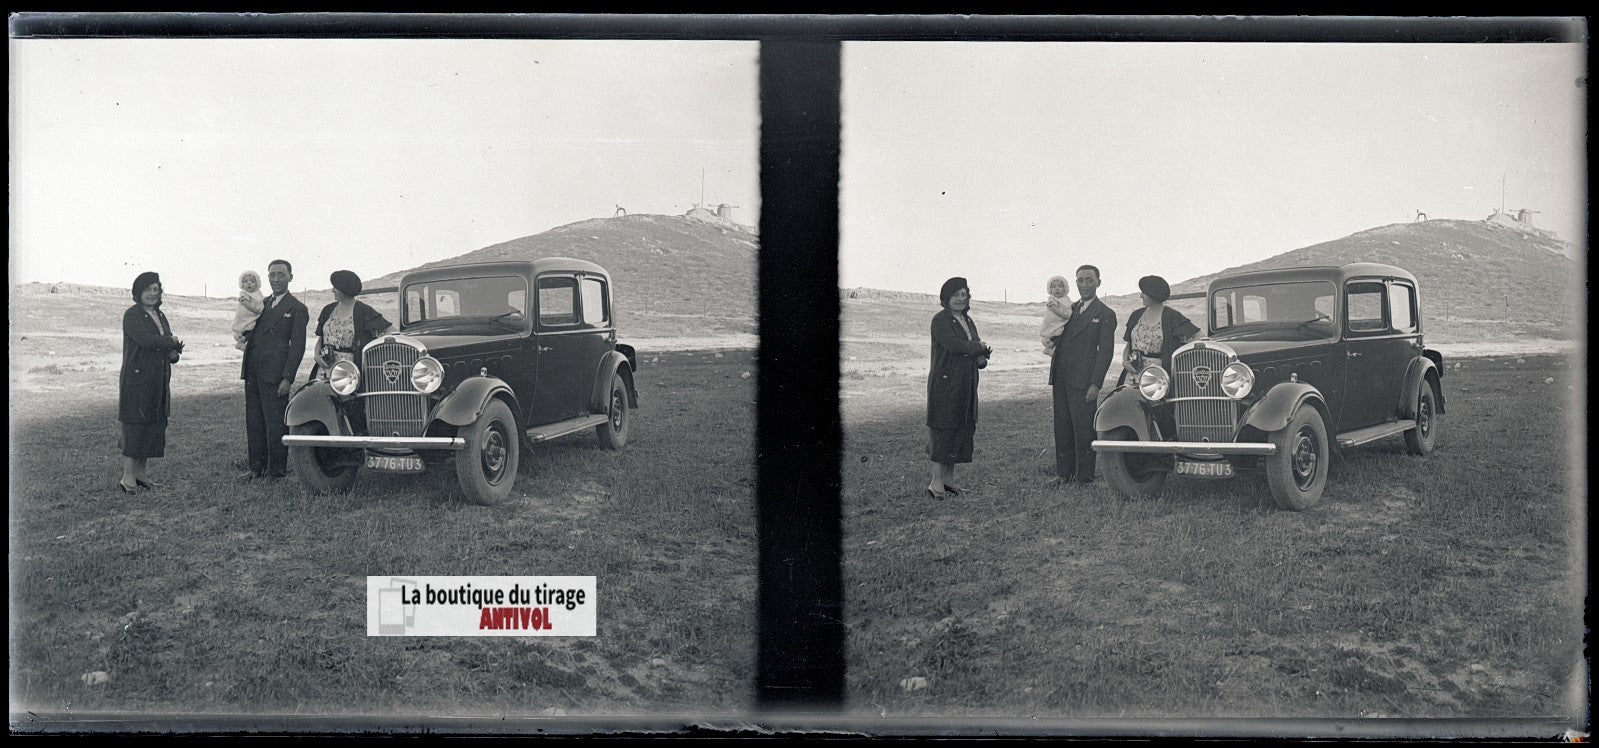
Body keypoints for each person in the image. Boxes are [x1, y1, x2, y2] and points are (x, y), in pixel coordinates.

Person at [239, 259, 308, 480]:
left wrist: (287, 378)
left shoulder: (297, 308)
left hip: (275, 375)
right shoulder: (262, 303)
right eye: (272, 275)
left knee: (275, 422)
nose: (276, 279)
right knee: (254, 419)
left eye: (280, 275)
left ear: (290, 277)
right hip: (253, 371)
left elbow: (297, 346)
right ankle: (256, 468)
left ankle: (276, 471)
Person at [1049, 264, 1117, 484]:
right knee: (1062, 425)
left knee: (1084, 428)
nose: (1084, 285)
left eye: (1089, 280)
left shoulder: (1105, 313)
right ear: (1075, 282)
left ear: (1098, 282)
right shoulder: (1070, 309)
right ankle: (1063, 474)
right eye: (1080, 280)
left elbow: (1105, 352)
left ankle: (1084, 477)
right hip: (1061, 377)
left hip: (1084, 381)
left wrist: (1095, 384)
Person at [926, 276, 992, 499]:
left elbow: (972, 346)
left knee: (961, 429)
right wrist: (978, 347)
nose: (960, 299)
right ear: (946, 298)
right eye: (955, 295)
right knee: (943, 429)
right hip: (945, 384)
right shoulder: (941, 320)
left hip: (966, 383)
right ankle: (935, 483)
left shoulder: (967, 320)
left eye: (964, 294)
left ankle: (948, 481)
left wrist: (981, 355)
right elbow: (955, 346)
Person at [118, 272, 184, 493]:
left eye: (156, 290)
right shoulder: (132, 315)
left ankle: (141, 475)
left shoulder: (159, 314)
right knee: (135, 425)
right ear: (138, 292)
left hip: (158, 379)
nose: (152, 294)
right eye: (148, 290)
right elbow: (146, 340)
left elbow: (166, 341)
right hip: (137, 380)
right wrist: (170, 342)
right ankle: (127, 478)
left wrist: (174, 351)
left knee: (152, 425)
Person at [1118, 274, 1201, 386]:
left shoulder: (1172, 316)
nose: (1141, 296)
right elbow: (1129, 344)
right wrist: (1125, 362)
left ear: (1154, 293)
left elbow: (1198, 337)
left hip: (1159, 377)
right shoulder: (1136, 315)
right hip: (1132, 375)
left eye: (1144, 292)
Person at [312, 270, 394, 377]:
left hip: (351, 372)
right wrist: (316, 356)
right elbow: (321, 338)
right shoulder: (328, 310)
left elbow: (391, 331)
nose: (333, 290)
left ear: (345, 288)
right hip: (325, 369)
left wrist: (372, 353)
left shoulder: (364, 311)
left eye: (336, 287)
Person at [1039, 274, 1074, 355]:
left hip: (1062, 319)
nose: (1057, 288)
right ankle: (1048, 348)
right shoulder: (1052, 299)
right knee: (1055, 332)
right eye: (1054, 287)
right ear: (1050, 290)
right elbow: (1053, 308)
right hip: (1056, 319)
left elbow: (1068, 306)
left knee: (1060, 335)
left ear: (1065, 288)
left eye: (1060, 286)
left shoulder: (1065, 299)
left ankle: (1051, 346)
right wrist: (1063, 315)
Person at [231, 270, 265, 351]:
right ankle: (240, 342)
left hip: (253, 314)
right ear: (242, 284)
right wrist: (255, 310)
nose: (249, 283)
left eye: (252, 281)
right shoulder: (244, 293)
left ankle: (242, 341)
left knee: (252, 328)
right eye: (245, 281)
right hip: (247, 314)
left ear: (256, 284)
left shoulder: (257, 293)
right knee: (246, 326)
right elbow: (245, 303)